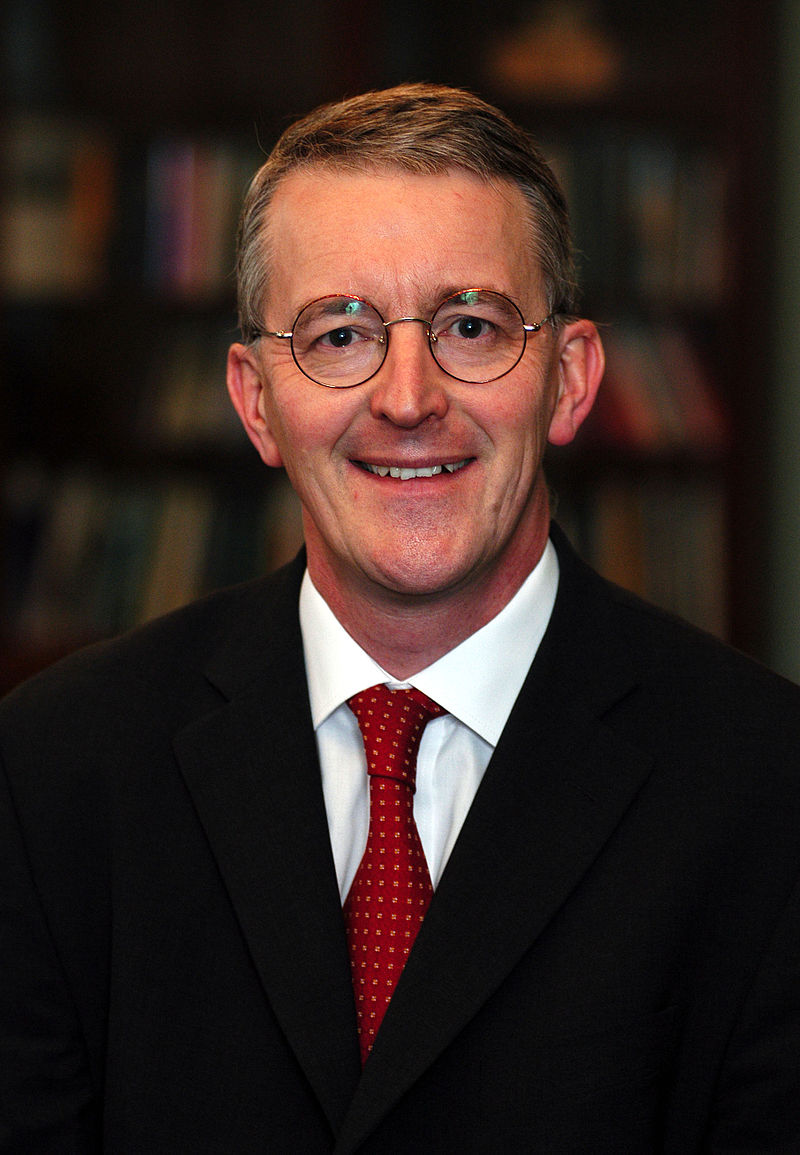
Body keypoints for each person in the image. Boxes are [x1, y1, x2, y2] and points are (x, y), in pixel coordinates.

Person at [1, 83, 799, 1154]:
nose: (408, 397)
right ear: (255, 400)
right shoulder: (54, 771)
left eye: (471, 326)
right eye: (340, 334)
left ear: (569, 382)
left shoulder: (769, 787)